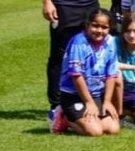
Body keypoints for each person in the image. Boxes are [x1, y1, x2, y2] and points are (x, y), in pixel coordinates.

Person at [50, 8, 120, 137]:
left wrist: (107, 101)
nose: (99, 30)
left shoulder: (110, 42)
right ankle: (65, 117)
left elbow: (111, 75)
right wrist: (89, 102)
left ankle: (88, 117)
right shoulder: (79, 42)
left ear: (109, 28)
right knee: (95, 131)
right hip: (73, 95)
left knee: (113, 129)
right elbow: (76, 75)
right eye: (95, 26)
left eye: (104, 27)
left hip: (96, 94)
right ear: (87, 25)